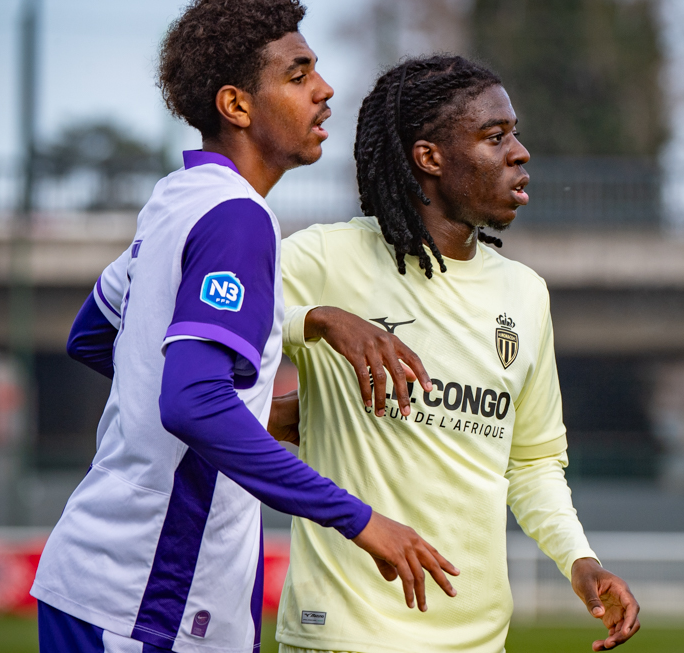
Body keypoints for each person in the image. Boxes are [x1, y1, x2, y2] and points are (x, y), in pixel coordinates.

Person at [31, 3, 457, 652]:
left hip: (95, 582)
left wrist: (252, 409)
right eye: (298, 74)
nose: (325, 88)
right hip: (150, 604)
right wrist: (363, 520)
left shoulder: (176, 200)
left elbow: (95, 334)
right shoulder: (239, 218)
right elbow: (193, 400)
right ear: (236, 105)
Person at [269, 55, 641, 653]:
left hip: (475, 640)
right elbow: (184, 313)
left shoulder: (525, 294)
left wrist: (579, 559)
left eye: (514, 134)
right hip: (342, 635)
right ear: (430, 157)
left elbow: (533, 463)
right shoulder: (325, 259)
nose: (519, 152)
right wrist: (318, 321)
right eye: (495, 137)